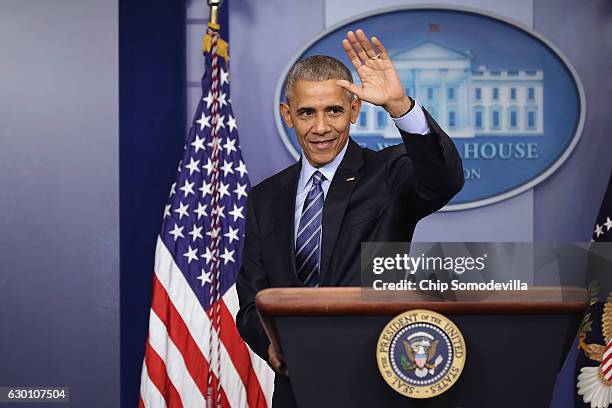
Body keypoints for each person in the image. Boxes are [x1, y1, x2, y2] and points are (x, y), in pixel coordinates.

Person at [236, 28, 464, 407]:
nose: (321, 127)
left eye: (334, 111)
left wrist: (400, 108)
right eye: (307, 112)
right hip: (296, 387)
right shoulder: (265, 197)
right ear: (287, 115)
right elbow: (251, 299)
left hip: (373, 383)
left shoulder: (388, 173)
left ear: (354, 110)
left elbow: (442, 181)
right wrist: (271, 346)